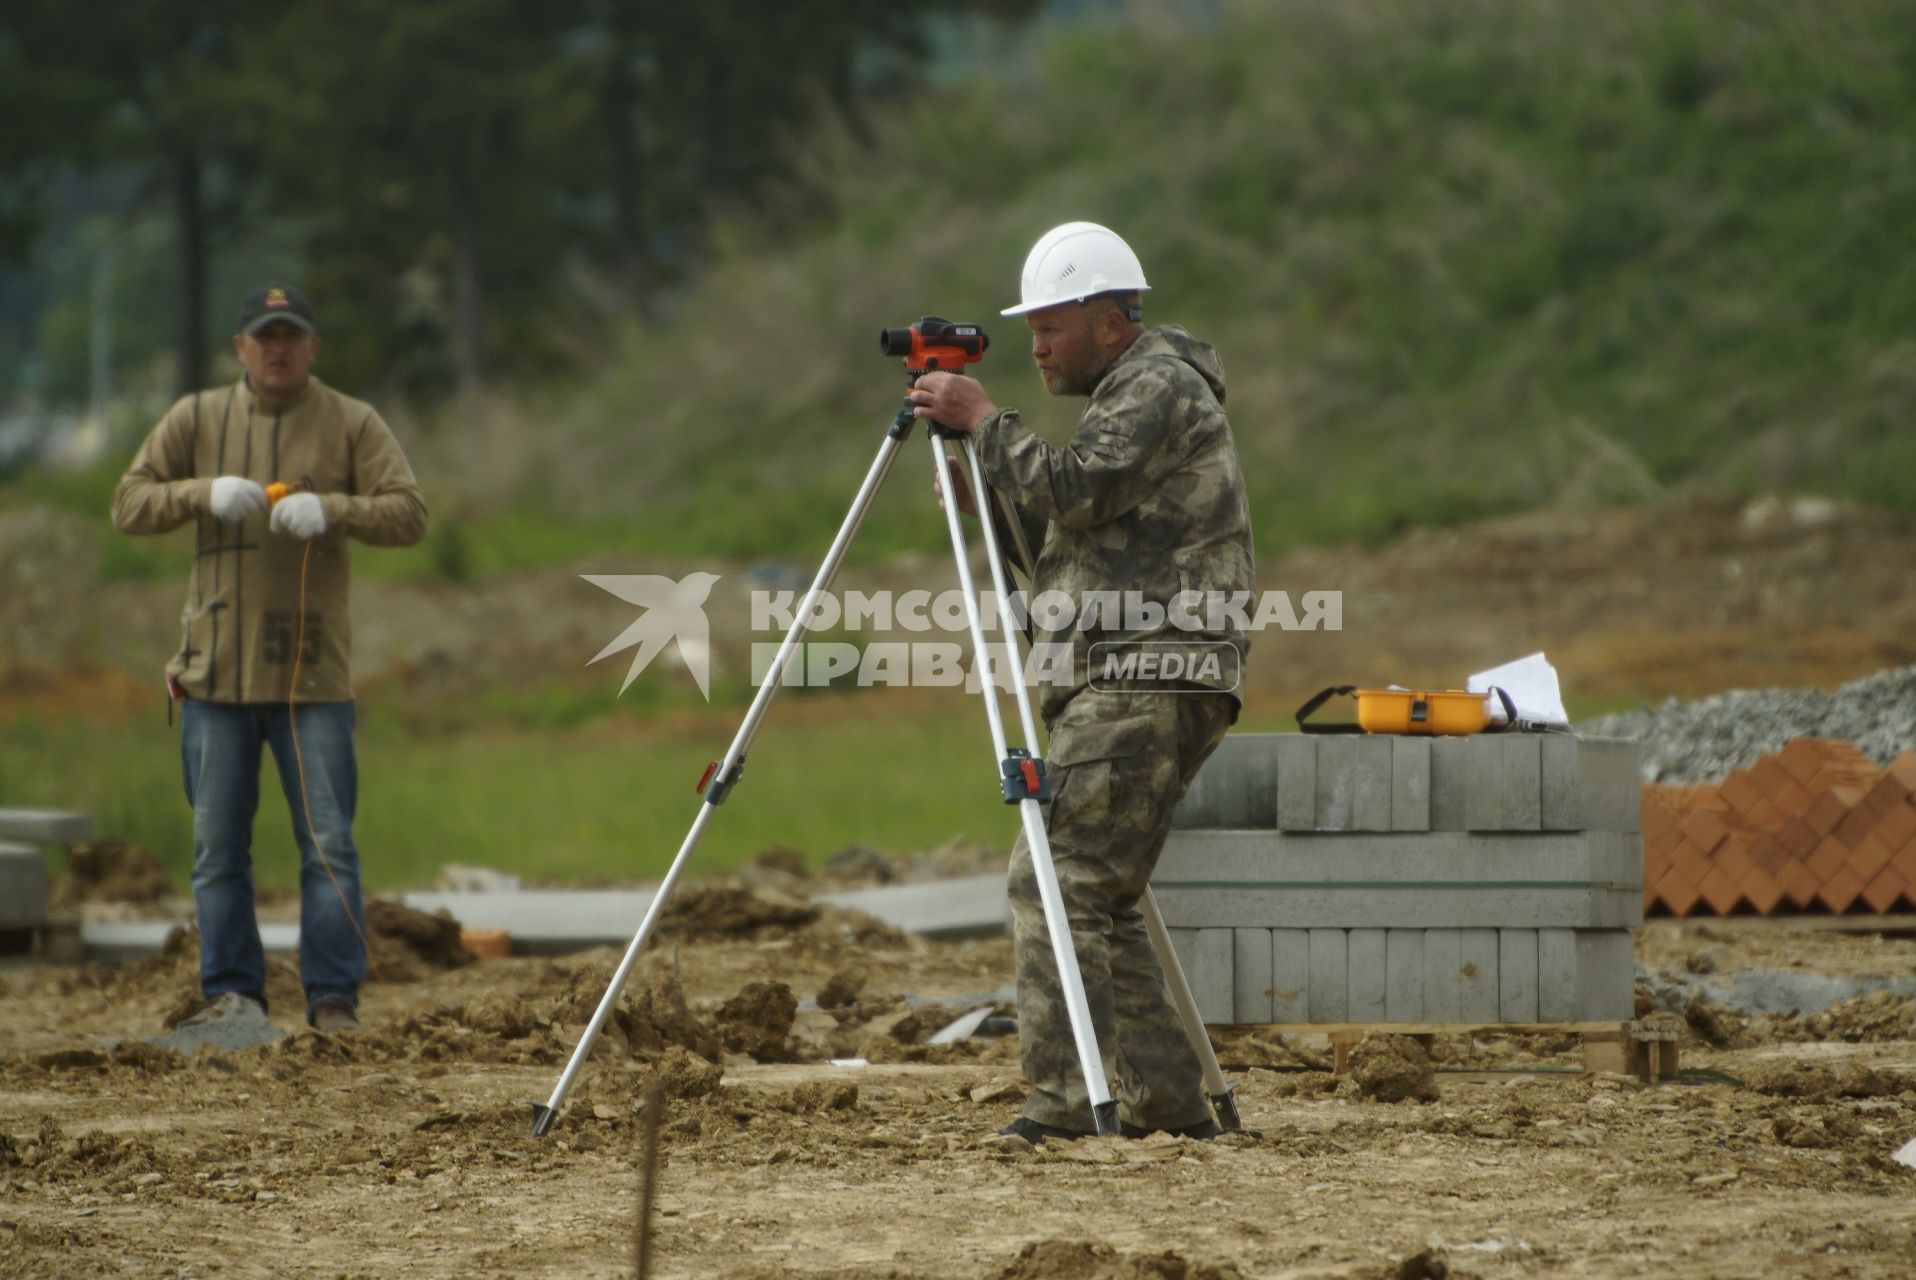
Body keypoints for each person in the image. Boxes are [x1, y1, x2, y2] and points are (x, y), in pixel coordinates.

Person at [909, 222, 1254, 1142]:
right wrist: (992, 492)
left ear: (1110, 320)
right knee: (1098, 892)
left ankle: (1066, 1106)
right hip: (1127, 667)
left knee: (1054, 882)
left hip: (1152, 668)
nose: (1038, 346)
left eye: (1053, 325)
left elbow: (1079, 488)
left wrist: (985, 425)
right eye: (1032, 330)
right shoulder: (1133, 394)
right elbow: (1068, 551)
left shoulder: (1158, 385)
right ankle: (1169, 1108)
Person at [112, 284, 427, 1033]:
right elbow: (129, 503)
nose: (278, 348)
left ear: (312, 347)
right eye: (265, 336)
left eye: (291, 336)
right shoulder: (197, 417)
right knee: (218, 851)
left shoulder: (352, 421)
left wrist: (337, 509)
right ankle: (233, 995)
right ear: (240, 348)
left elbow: (410, 511)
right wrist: (199, 493)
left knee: (329, 847)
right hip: (214, 674)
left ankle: (333, 999)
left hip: (312, 675)